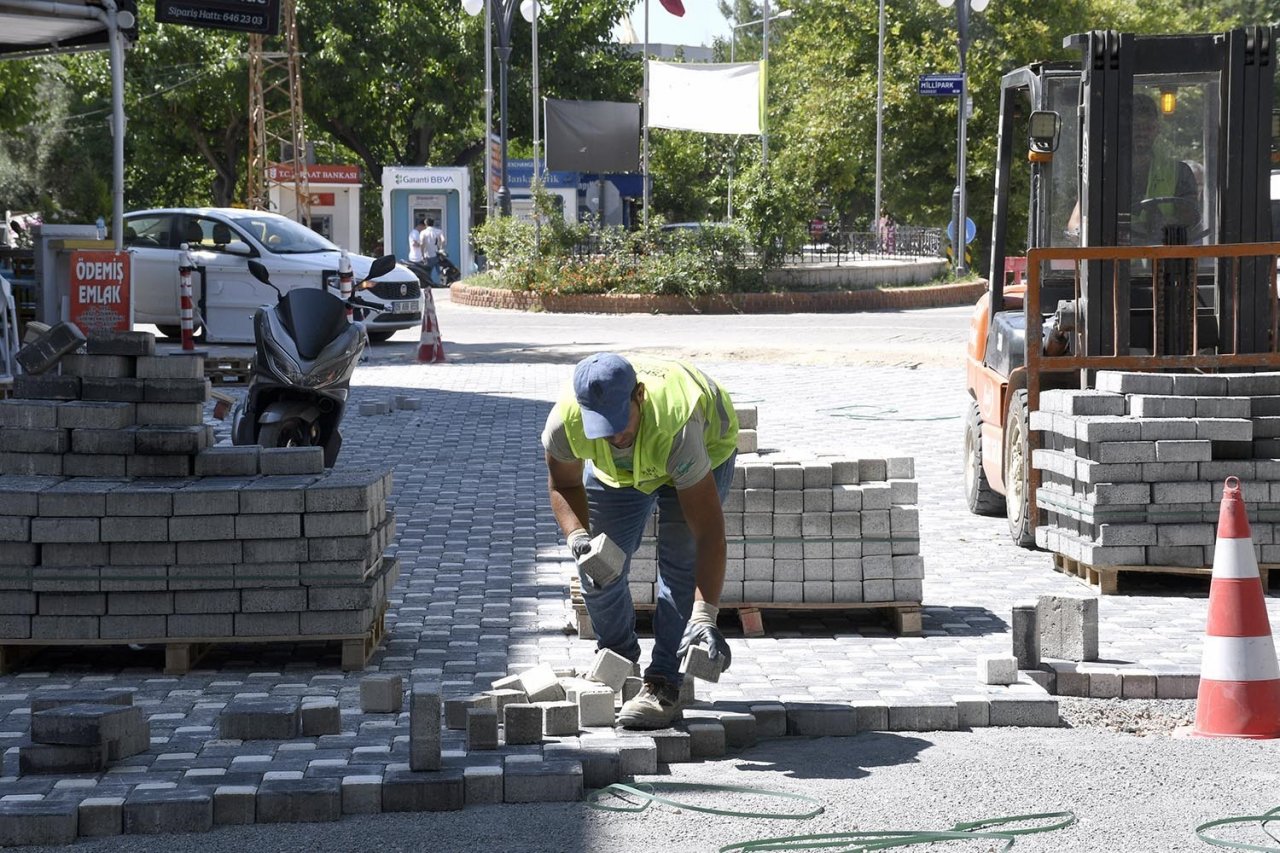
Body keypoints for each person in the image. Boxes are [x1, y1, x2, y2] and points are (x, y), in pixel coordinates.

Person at [543, 353, 739, 729]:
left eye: (620, 423)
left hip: (701, 453)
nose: (615, 437)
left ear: (640, 396)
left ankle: (665, 682)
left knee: (679, 564)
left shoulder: (676, 424)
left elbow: (708, 534)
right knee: (598, 566)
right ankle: (617, 660)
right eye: (603, 427)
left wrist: (705, 616)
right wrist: (578, 538)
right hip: (620, 475)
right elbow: (564, 484)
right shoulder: (564, 423)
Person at [1065, 94, 1199, 243]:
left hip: (1163, 259)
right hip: (1112, 258)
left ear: (1157, 129)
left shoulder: (1179, 172)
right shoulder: (1103, 173)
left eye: (1147, 127)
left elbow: (1189, 216)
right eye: (1136, 127)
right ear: (1125, 129)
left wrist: (1165, 224)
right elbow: (1076, 222)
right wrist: (1083, 234)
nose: (1142, 132)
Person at [422, 217, 445, 286]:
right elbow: (443, 240)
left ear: (425, 224)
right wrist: (441, 248)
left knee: (428, 272)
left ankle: (428, 284)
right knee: (440, 271)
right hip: (437, 255)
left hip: (428, 255)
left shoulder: (423, 232)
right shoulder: (439, 231)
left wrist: (422, 255)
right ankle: (443, 283)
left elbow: (422, 244)